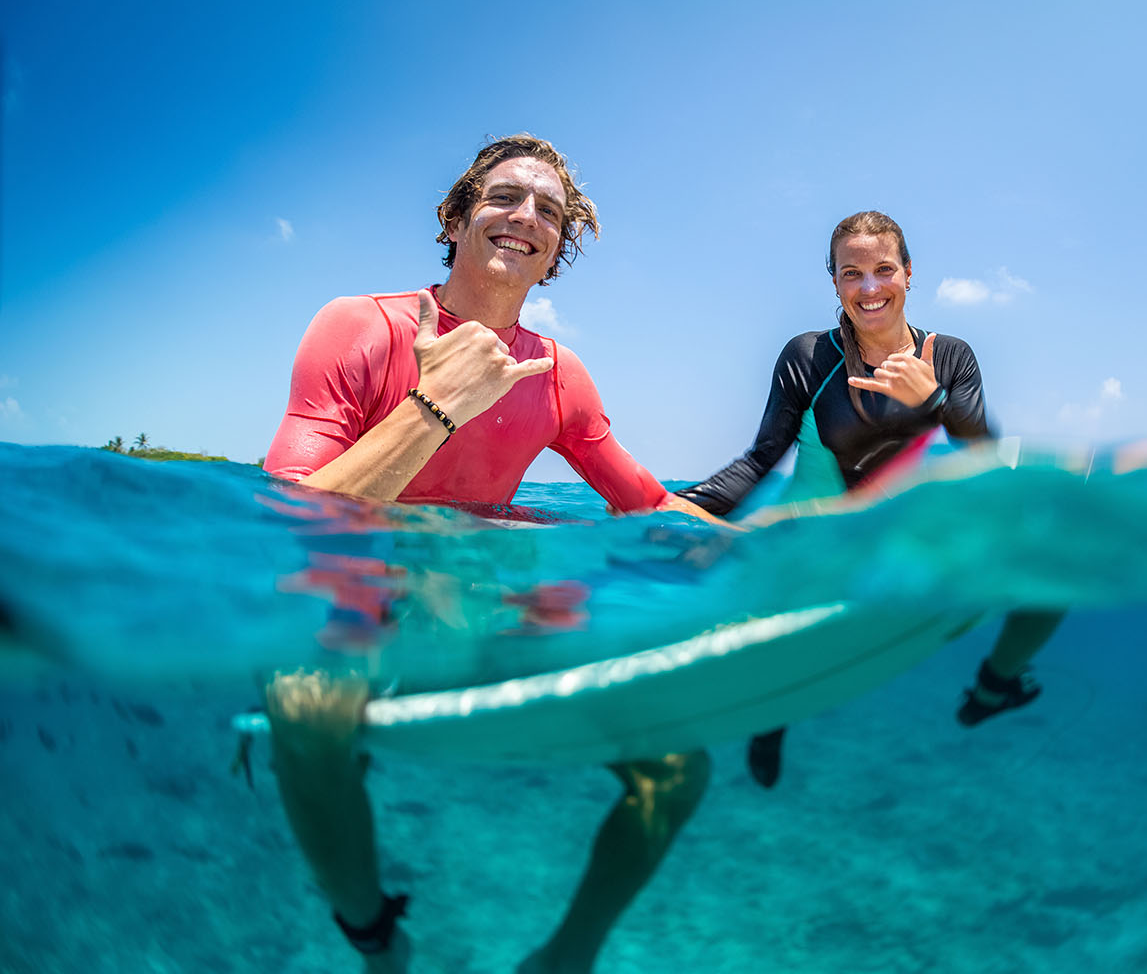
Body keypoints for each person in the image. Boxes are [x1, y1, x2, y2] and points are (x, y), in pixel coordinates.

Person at [262, 135, 714, 973]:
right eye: (505, 197)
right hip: (360, 593)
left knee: (678, 768)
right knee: (303, 708)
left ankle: (565, 957)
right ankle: (375, 933)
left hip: (482, 600)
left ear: (558, 249)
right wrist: (438, 404)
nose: (526, 218)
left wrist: (781, 544)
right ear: (457, 217)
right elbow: (295, 514)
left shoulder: (557, 374)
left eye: (549, 211)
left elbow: (647, 505)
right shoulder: (358, 325)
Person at [676, 210, 1064, 787]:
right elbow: (760, 460)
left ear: (909, 273)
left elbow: (983, 461)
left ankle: (993, 687)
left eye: (884, 269)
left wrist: (933, 400)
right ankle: (772, 717)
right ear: (834, 281)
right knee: (789, 643)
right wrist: (682, 505)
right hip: (815, 541)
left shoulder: (950, 357)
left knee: (1055, 566)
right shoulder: (809, 356)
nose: (869, 287)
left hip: (897, 540)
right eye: (851, 273)